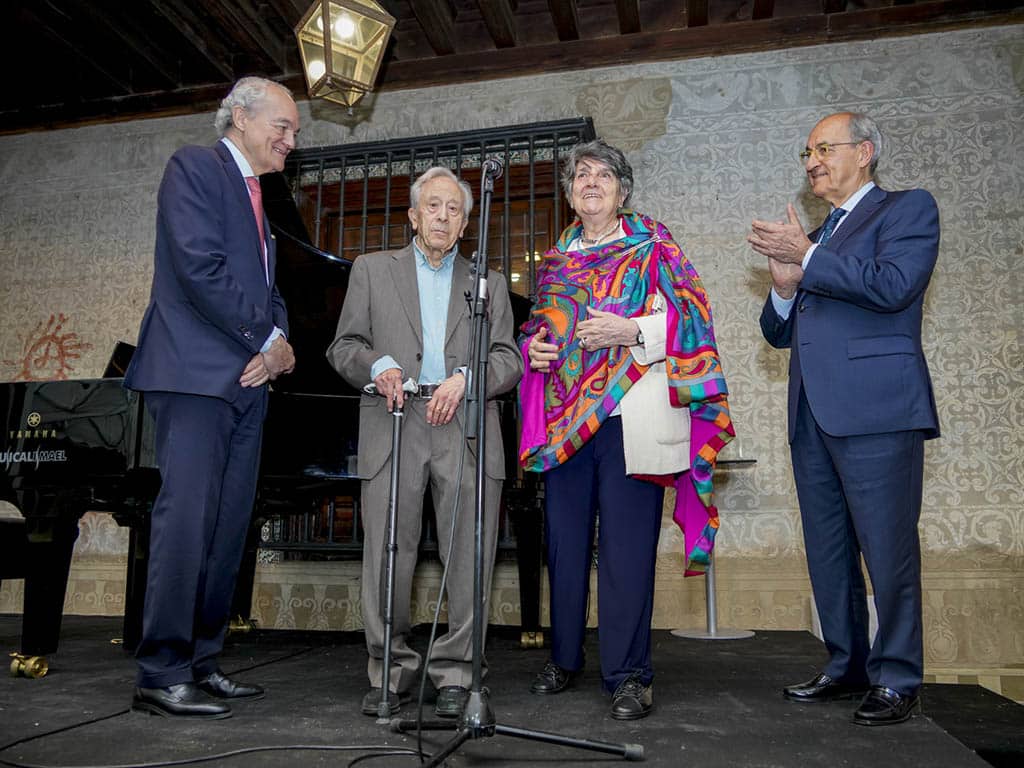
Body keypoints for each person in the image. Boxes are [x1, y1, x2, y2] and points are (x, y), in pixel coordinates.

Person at [519, 139, 734, 720]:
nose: (590, 182)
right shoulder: (555, 261)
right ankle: (563, 659)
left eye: (603, 175)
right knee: (563, 549)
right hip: (565, 425)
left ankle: (628, 674)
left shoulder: (654, 247)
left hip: (630, 422)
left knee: (627, 552)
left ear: (622, 189)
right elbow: (544, 331)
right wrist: (533, 351)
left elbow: (693, 316)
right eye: (580, 175)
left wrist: (632, 330)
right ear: (568, 193)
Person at [749, 111, 940, 726]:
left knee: (887, 549)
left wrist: (807, 253)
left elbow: (893, 286)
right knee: (828, 549)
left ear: (864, 152)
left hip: (878, 410)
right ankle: (846, 663)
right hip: (812, 412)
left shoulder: (905, 209)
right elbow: (780, 333)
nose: (811, 162)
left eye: (822, 149)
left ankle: (898, 676)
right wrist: (782, 284)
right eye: (806, 152)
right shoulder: (824, 230)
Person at [124, 77, 298, 719]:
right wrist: (268, 340)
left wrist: (278, 342)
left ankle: (201, 659)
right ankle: (160, 670)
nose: (289, 140)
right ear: (241, 117)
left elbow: (270, 289)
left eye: (294, 132)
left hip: (248, 384)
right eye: (282, 125)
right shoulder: (195, 166)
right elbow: (199, 268)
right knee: (188, 523)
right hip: (196, 377)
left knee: (226, 531)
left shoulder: (260, 202)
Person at [326, 166, 522, 719]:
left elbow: (508, 357)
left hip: (463, 422)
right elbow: (344, 346)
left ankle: (458, 674)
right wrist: (377, 364)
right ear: (412, 216)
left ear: (466, 223)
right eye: (432, 207)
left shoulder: (488, 282)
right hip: (394, 419)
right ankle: (388, 670)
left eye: (454, 209)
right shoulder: (370, 270)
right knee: (389, 554)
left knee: (468, 559)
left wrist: (468, 380)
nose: (442, 216)